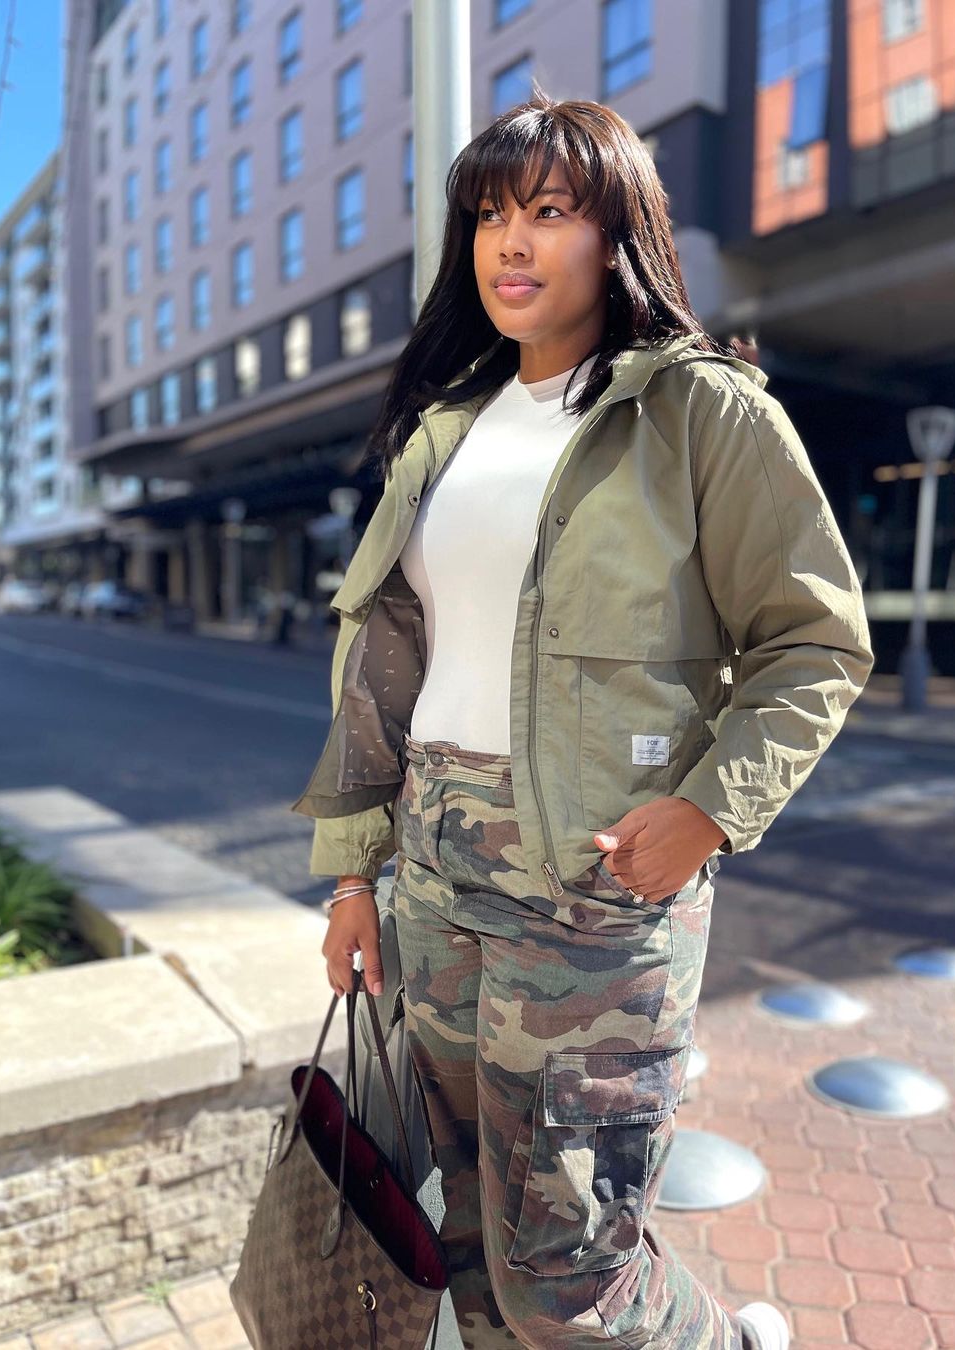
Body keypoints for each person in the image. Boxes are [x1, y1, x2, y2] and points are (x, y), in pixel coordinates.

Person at [293, 91, 874, 1350]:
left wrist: (711, 809)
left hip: (596, 892)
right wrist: (351, 880)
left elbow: (816, 643)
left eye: (551, 211)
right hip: (435, 879)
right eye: (489, 214)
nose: (511, 241)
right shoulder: (442, 431)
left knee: (572, 1283)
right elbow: (384, 669)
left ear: (618, 236)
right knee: (466, 1244)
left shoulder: (703, 412)